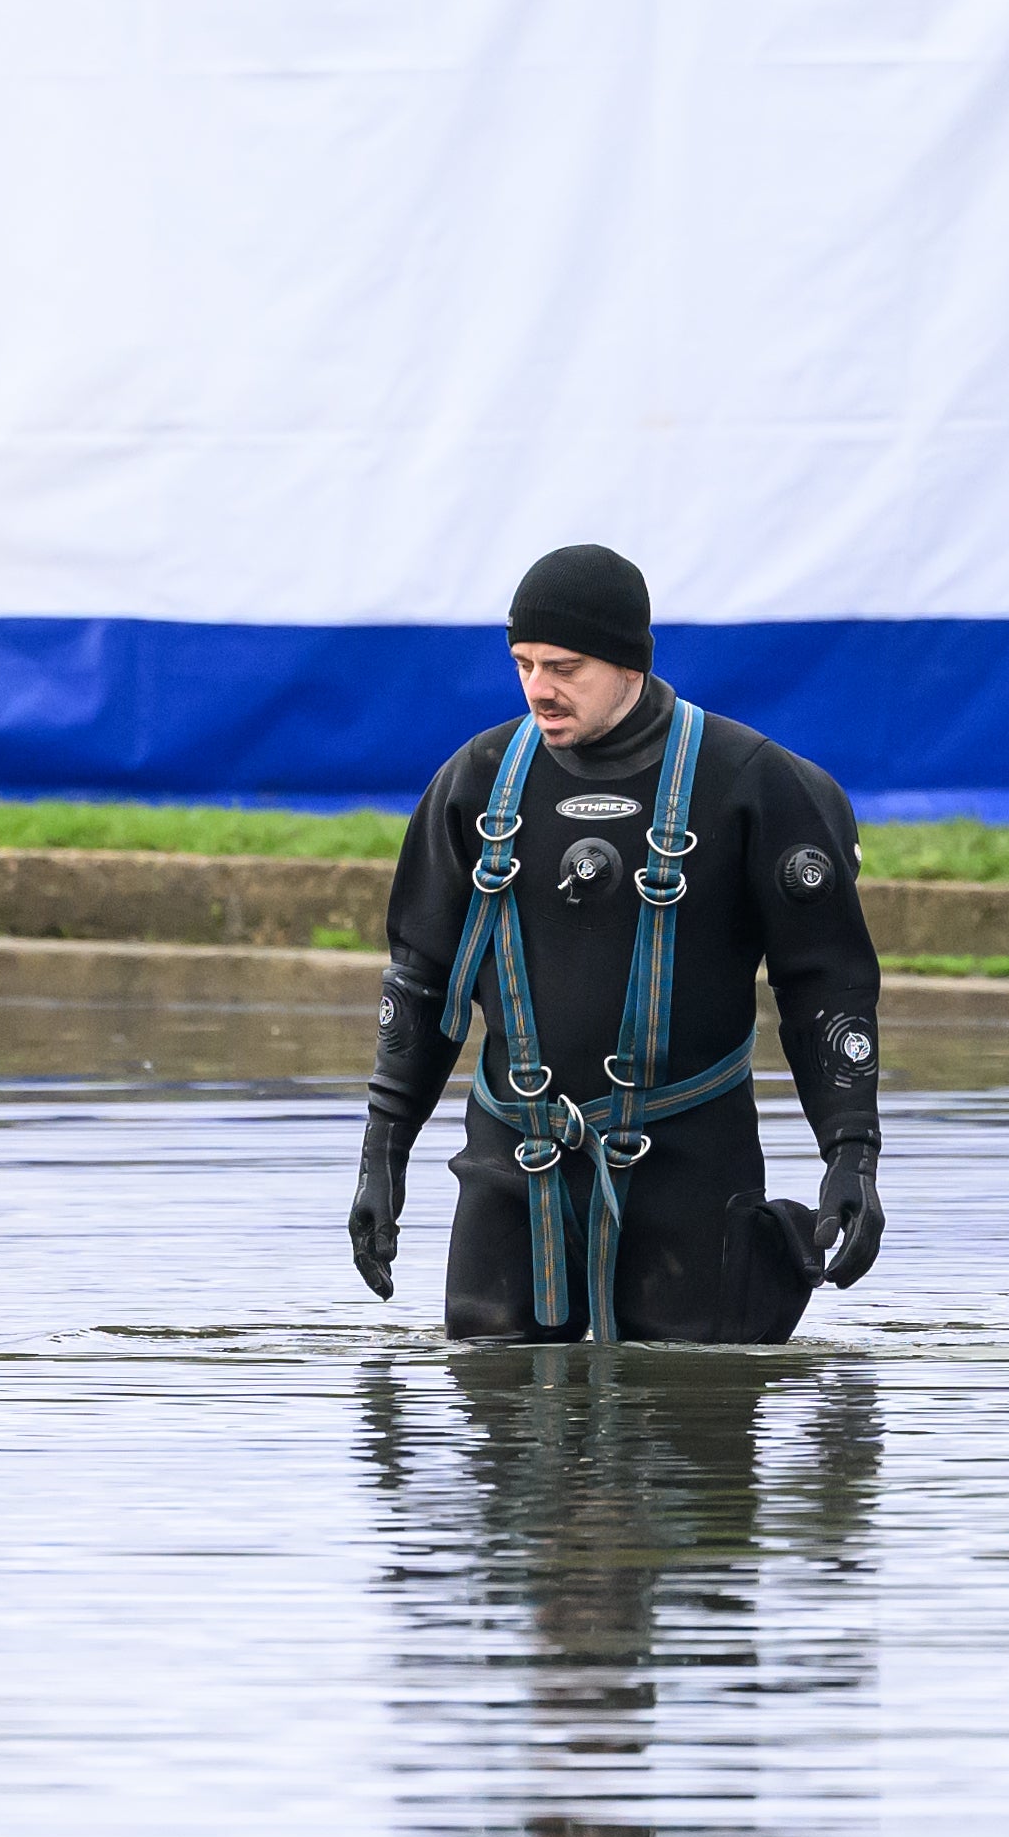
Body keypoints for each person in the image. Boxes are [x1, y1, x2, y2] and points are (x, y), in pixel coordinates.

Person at [349, 546, 887, 1346]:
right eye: (524, 663)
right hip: (514, 1169)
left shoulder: (749, 782)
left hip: (691, 1171)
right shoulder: (477, 782)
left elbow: (825, 986)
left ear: (631, 663)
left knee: (694, 1427)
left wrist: (852, 1153)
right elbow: (421, 983)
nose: (539, 687)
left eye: (565, 666)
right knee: (493, 1403)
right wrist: (382, 1153)